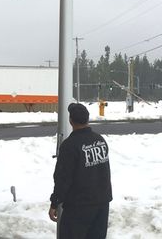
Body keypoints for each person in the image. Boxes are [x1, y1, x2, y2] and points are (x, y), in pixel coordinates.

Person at [49, 102, 112, 239]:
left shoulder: (70, 146)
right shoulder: (100, 140)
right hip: (102, 204)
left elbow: (63, 178)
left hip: (79, 206)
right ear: (87, 119)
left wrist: (55, 202)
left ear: (71, 121)